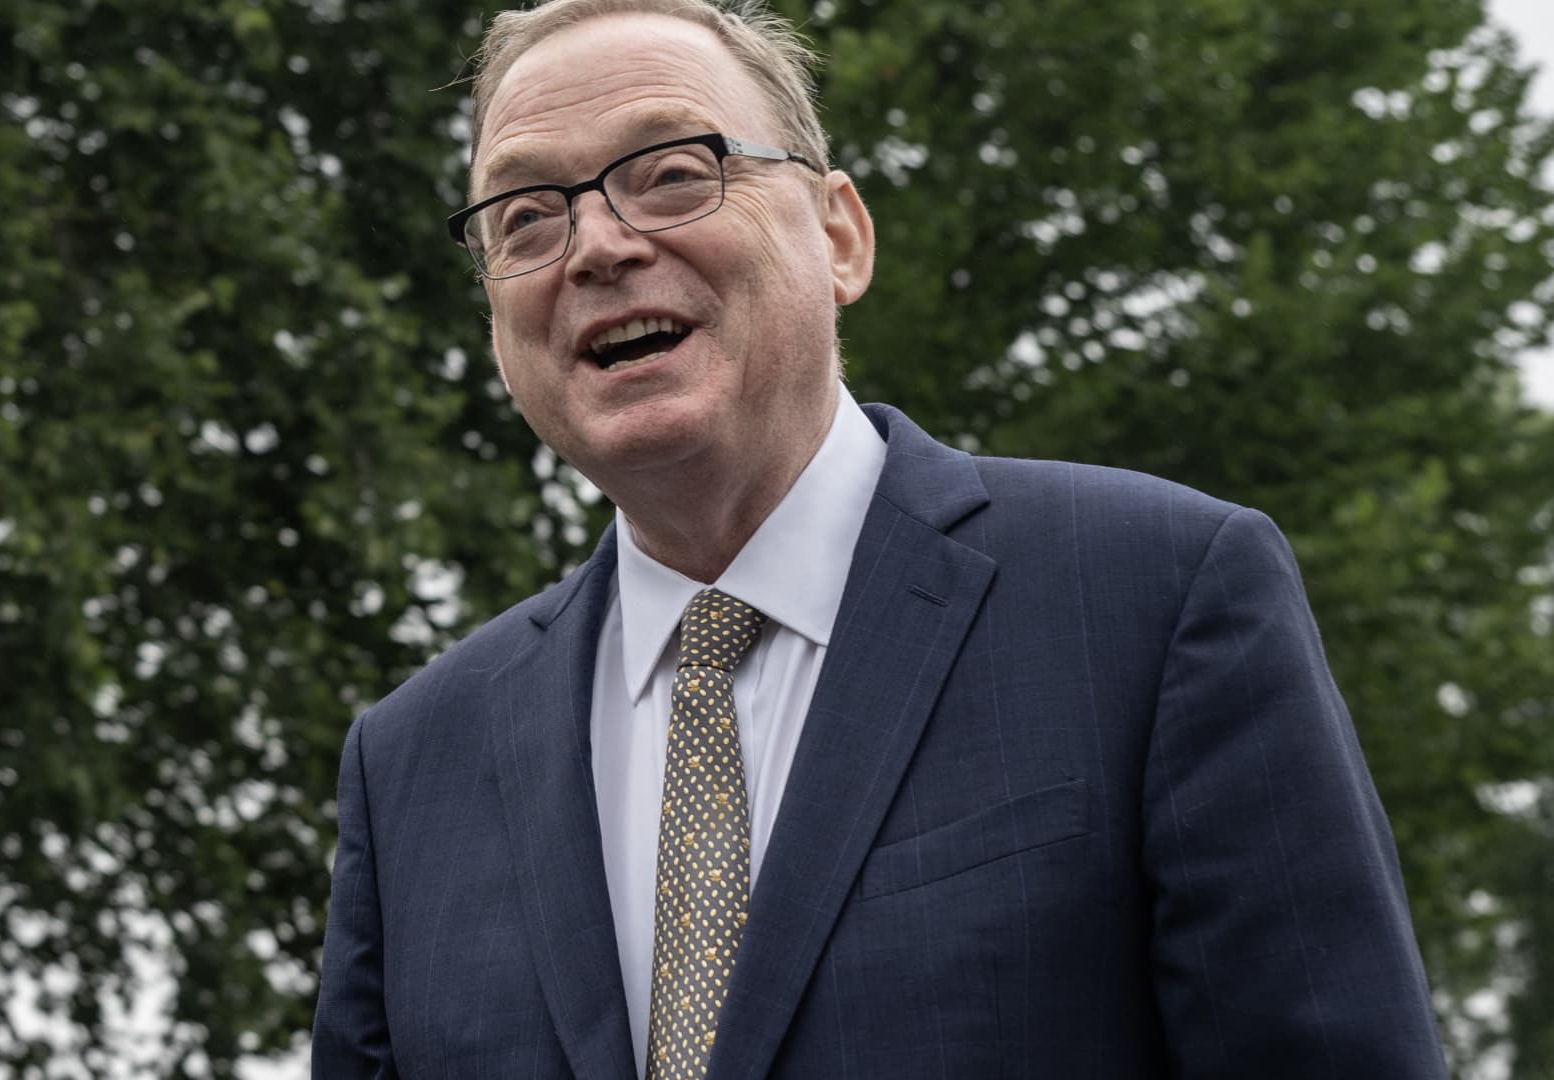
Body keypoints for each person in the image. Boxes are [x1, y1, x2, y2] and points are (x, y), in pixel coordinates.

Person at [311, 0, 1448, 1075]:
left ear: (840, 235)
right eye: (525, 217)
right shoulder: (409, 766)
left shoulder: (1158, 597)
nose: (596, 246)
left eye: (672, 174)